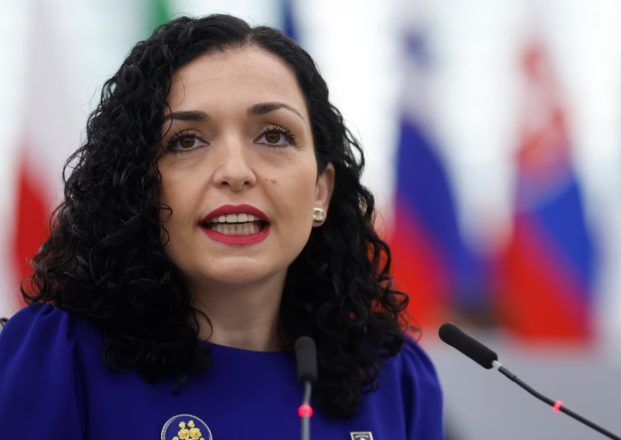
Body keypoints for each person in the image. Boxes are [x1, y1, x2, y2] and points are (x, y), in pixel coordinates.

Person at [0, 14, 443, 438]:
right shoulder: (59, 360)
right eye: (186, 141)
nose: (235, 171)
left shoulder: (396, 379)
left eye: (274, 135)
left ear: (320, 192)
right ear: (139, 187)